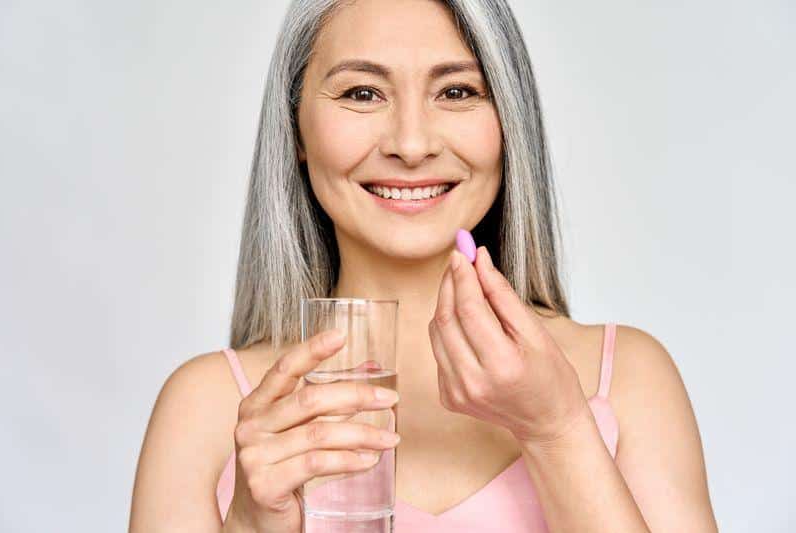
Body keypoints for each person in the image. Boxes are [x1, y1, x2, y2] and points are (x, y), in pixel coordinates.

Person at [129, 0, 719, 531]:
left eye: (457, 92)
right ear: (296, 129)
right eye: (362, 93)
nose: (411, 145)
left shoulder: (629, 378)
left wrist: (558, 431)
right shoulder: (206, 408)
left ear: (509, 123)